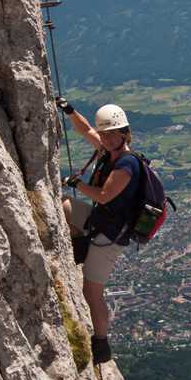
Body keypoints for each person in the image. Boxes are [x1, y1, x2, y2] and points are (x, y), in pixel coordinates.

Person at [56, 97, 139, 364]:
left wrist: (76, 183)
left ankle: (101, 343)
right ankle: (79, 243)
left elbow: (104, 195)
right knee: (62, 205)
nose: (106, 138)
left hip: (111, 236)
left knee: (92, 293)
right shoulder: (108, 151)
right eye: (104, 134)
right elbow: (85, 131)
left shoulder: (127, 164)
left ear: (125, 133)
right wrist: (69, 109)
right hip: (100, 220)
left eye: (112, 134)